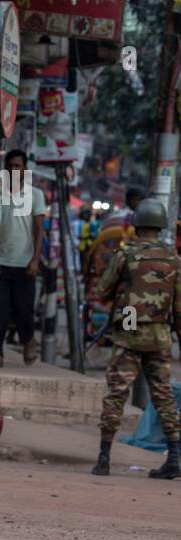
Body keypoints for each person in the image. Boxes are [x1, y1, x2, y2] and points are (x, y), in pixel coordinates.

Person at [91, 197, 181, 479]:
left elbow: (102, 290)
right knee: (164, 396)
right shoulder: (174, 259)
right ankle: (175, 458)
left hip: (130, 324)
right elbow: (178, 307)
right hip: (159, 332)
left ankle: (104, 458)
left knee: (117, 393)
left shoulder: (125, 254)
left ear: (137, 224)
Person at [0, 149, 47, 367]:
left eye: (18, 166)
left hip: (25, 265)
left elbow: (39, 231)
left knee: (23, 309)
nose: (14, 170)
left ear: (25, 169)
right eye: (10, 166)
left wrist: (35, 259)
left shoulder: (35, 195)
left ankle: (28, 340)